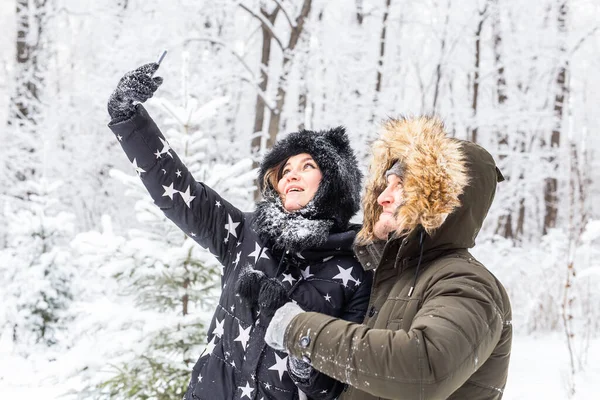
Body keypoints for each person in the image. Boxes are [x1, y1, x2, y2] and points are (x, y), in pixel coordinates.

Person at [106, 62, 372, 400]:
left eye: (308, 166)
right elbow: (177, 189)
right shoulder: (245, 233)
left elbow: (339, 386)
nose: (291, 174)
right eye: (285, 168)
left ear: (334, 182)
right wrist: (127, 116)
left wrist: (301, 355)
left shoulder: (356, 270)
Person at [264, 116, 513, 400]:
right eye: (386, 184)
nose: (383, 197)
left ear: (440, 199)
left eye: (401, 186)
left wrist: (300, 329)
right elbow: (369, 379)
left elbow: (424, 367)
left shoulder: (467, 282)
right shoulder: (395, 278)